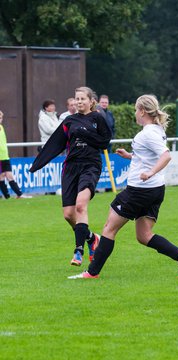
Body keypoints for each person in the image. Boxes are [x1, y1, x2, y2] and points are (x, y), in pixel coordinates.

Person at [68, 94, 178, 280]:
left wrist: (150, 172)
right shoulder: (155, 130)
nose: (135, 113)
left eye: (136, 110)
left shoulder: (148, 133)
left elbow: (166, 155)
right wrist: (130, 155)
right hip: (155, 190)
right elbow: (149, 155)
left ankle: (91, 273)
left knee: (108, 229)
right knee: (144, 236)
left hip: (139, 191)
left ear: (142, 111)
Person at [30, 86, 112, 265]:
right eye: (77, 99)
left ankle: (78, 251)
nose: (79, 102)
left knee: (81, 206)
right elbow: (55, 144)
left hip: (90, 165)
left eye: (83, 99)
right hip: (70, 167)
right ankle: (91, 238)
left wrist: (85, 133)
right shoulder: (69, 121)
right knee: (68, 214)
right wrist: (37, 165)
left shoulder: (98, 118)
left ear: (91, 101)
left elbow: (105, 142)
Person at [0, 111, 32, 199]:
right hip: (1, 157)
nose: (1, 119)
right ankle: (11, 196)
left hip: (4, 156)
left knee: (7, 175)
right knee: (3, 176)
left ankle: (14, 195)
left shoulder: (1, 127)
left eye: (1, 118)